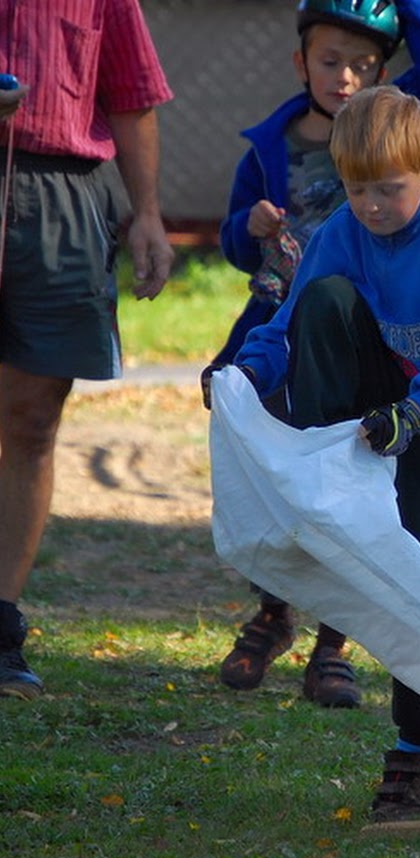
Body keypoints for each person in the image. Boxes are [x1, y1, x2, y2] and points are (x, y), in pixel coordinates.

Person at [224, 84, 420, 821]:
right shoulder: (342, 234)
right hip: (369, 409)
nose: (373, 207)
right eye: (358, 191)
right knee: (324, 299)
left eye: (389, 190)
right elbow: (290, 323)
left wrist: (416, 414)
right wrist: (245, 373)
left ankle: (418, 752)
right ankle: (334, 489)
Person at [206, 0, 420, 708]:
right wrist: (247, 226)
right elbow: (235, 246)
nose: (346, 77)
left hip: (370, 345)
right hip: (285, 327)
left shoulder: (395, 130)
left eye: (364, 65)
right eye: (330, 61)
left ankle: (334, 639)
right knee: (279, 473)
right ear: (300, 64)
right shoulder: (272, 144)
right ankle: (272, 611)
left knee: (348, 475)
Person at [0, 1, 175, 700]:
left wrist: (150, 215)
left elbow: (132, 97)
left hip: (61, 198)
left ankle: (2, 623)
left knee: (33, 420)